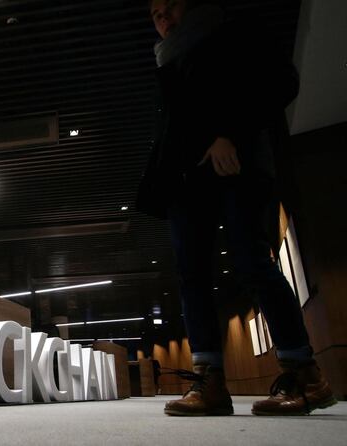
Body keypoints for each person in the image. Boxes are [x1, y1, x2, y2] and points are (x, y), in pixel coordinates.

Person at [137, 0, 337, 416]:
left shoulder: (232, 29)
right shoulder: (167, 57)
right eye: (155, 15)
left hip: (235, 166)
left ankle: (305, 374)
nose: (164, 19)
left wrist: (226, 131)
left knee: (251, 262)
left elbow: (281, 81)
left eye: (170, 8)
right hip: (185, 180)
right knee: (191, 275)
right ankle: (210, 384)